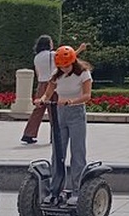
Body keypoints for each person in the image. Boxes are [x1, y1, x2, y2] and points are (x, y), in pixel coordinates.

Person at [34, 46, 94, 206]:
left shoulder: (83, 73)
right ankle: (56, 189)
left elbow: (87, 95)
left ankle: (77, 190)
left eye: (66, 65)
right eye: (61, 66)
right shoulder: (57, 75)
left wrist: (72, 101)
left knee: (78, 152)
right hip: (59, 113)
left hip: (76, 113)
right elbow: (48, 91)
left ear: (73, 61)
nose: (64, 68)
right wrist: (43, 99)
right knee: (57, 153)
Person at [21, 35, 87, 144]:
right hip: (52, 83)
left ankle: (29, 133)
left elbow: (38, 72)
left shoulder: (37, 57)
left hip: (41, 84)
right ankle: (56, 135)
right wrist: (80, 49)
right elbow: (68, 58)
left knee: (38, 110)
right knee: (55, 111)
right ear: (48, 44)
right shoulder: (52, 55)